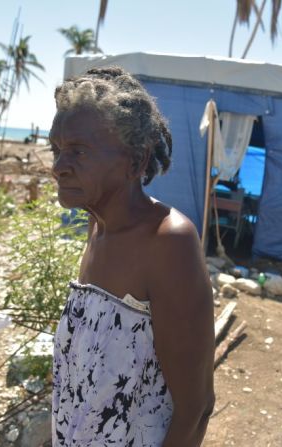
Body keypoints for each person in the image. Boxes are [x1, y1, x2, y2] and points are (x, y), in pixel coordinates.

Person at [49, 66, 215, 446]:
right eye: (56, 150)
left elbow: (196, 407)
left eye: (78, 151)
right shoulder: (98, 227)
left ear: (136, 162)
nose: (58, 167)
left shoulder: (168, 242)